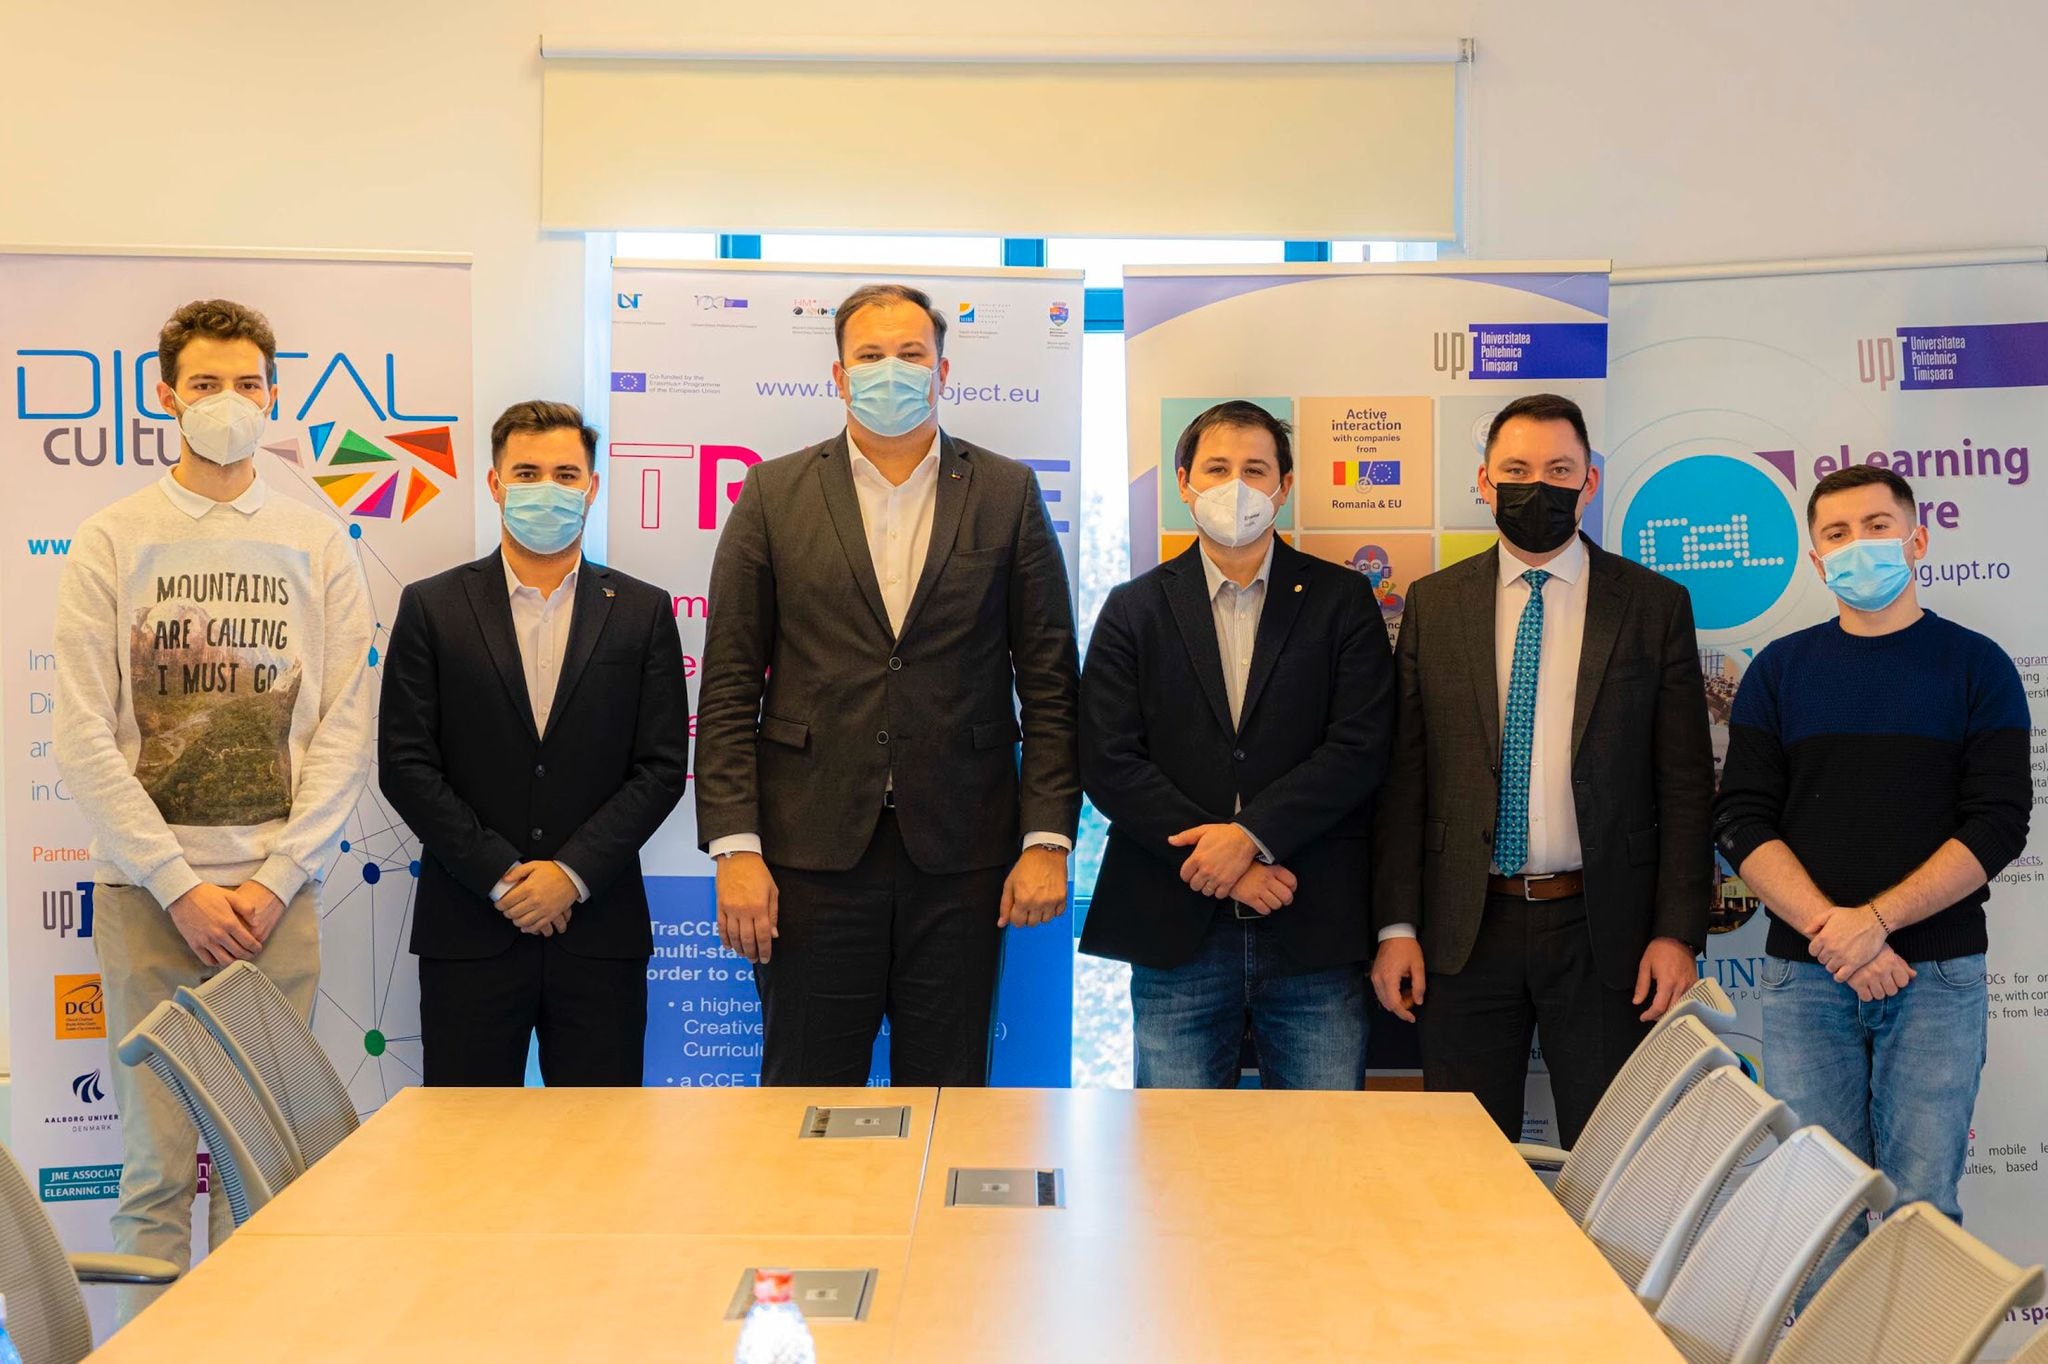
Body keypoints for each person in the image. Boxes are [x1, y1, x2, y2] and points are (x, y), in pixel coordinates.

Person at [53, 298, 373, 1312]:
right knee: (155, 1175)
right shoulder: (112, 538)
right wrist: (178, 883)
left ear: (272, 394)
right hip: (150, 902)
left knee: (263, 1174)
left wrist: (277, 879)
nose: (226, 402)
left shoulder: (317, 540)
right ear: (165, 395)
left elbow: (343, 726)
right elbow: (81, 731)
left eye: (245, 383)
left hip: (278, 904)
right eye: (204, 383)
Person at [695, 282, 1079, 1086]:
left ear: (943, 370)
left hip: (965, 854)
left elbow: (1048, 683)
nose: (891, 370)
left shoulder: (1007, 493)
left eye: (910, 353)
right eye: (870, 355)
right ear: (839, 375)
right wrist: (735, 847)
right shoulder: (772, 494)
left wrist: (1047, 838)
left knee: (948, 1098)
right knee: (804, 1096)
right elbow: (728, 686)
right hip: (808, 855)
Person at [1713, 464, 2029, 1292]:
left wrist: (1876, 922)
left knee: (1924, 1210)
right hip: (1806, 978)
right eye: (1838, 534)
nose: (1860, 546)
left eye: (1878, 527)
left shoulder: (1978, 667)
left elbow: (1999, 823)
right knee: (1816, 1213)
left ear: (1917, 540)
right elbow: (1741, 819)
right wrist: (1838, 932)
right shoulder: (1781, 671)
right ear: (1817, 560)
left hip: (1938, 977)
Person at [1370, 392, 1714, 1146]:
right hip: (1463, 929)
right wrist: (1396, 925)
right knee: (1464, 1163)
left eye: (1559, 470)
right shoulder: (1434, 604)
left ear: (1589, 482)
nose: (1538, 486)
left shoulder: (1653, 605)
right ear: (1485, 482)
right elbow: (1404, 779)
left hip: (1606, 930)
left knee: (1611, 1159)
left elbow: (1687, 785)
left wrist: (1677, 932)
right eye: (1517, 470)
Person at [1079, 402, 1394, 1088]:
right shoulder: (1134, 608)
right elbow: (1108, 758)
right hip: (1173, 925)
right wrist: (1224, 864)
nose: (1237, 486)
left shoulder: (1342, 600)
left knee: (1322, 1139)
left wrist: (1249, 836)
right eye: (1218, 469)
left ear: (1284, 486)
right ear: (1184, 482)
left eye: (1255, 470)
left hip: (1311, 919)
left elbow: (1360, 746)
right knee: (1176, 1143)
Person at [379, 401, 690, 1085]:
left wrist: (569, 875)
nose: (547, 489)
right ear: (495, 484)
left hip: (599, 932)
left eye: (565, 474)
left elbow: (662, 767)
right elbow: (405, 764)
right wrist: (502, 876)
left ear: (592, 487)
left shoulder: (643, 611)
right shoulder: (432, 607)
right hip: (469, 928)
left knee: (601, 1139)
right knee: (464, 1138)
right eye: (527, 473)